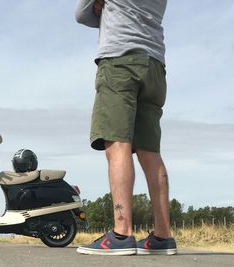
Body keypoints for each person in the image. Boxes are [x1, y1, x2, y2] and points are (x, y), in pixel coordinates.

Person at [75, 0, 177, 255]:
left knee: (117, 143)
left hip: (120, 61)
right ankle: (163, 236)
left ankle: (121, 233)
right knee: (150, 152)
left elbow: (82, 15)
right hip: (154, 65)